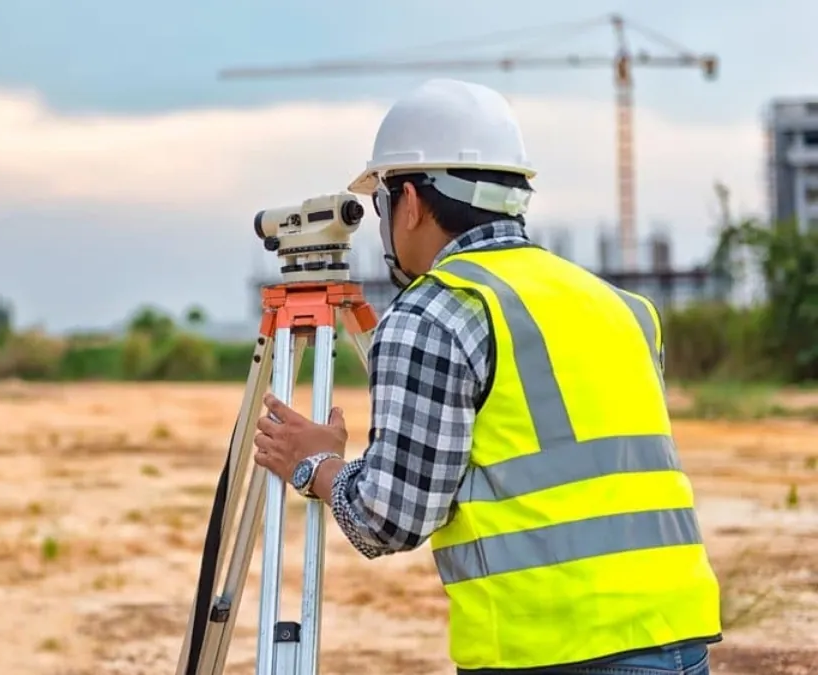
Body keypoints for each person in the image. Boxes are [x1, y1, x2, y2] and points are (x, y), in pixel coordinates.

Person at [251, 78, 722, 675]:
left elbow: (387, 520)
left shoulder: (435, 312)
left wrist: (314, 465)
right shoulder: (621, 306)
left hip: (553, 652)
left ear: (410, 202)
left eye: (383, 202)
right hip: (678, 637)